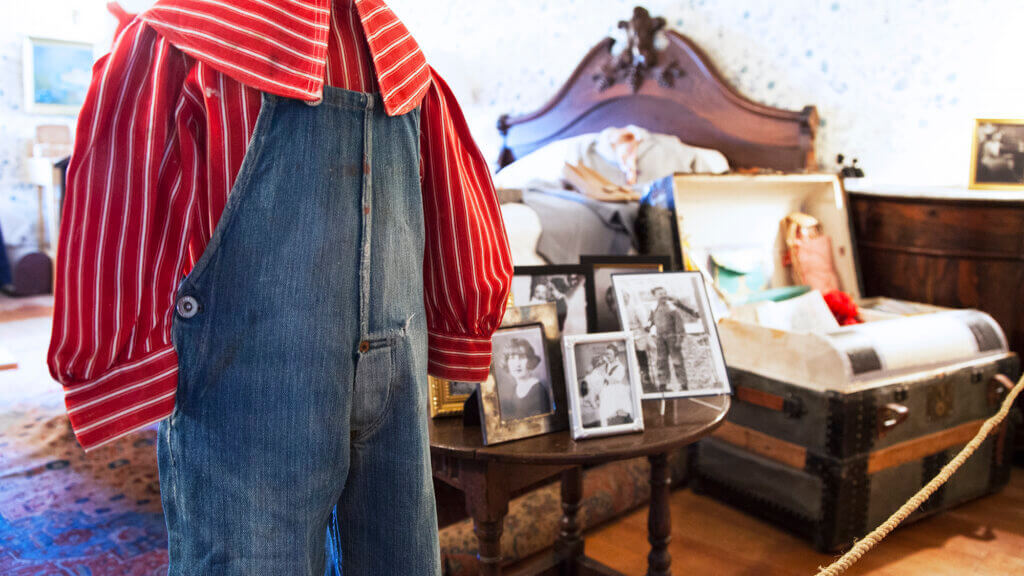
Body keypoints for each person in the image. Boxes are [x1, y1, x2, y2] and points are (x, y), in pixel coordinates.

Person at [648, 287, 699, 392]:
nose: (662, 295)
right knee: (661, 361)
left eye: (664, 293)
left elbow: (680, 326)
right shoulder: (654, 308)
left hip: (672, 338)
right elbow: (651, 321)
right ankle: (663, 384)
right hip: (660, 338)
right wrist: (647, 327)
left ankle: (683, 385)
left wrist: (679, 340)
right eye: (660, 294)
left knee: (677, 361)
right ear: (655, 296)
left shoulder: (672, 309)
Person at [496, 338, 553, 420]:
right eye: (512, 358)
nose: (517, 364)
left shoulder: (538, 391)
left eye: (522, 357)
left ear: (530, 361)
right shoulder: (514, 390)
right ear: (507, 363)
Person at [596, 344, 633, 426]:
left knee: (621, 413)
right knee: (605, 414)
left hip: (616, 391)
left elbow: (614, 380)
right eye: (606, 354)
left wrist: (604, 374)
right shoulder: (607, 365)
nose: (607, 356)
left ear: (615, 354)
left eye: (609, 354)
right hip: (607, 391)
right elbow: (599, 375)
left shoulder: (620, 367)